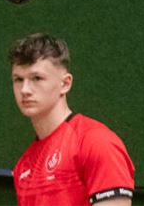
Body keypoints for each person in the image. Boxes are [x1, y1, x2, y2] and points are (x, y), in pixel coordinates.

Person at [8, 33, 135, 205]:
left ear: (65, 83)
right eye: (18, 79)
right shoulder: (23, 166)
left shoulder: (96, 142)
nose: (25, 89)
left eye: (37, 78)